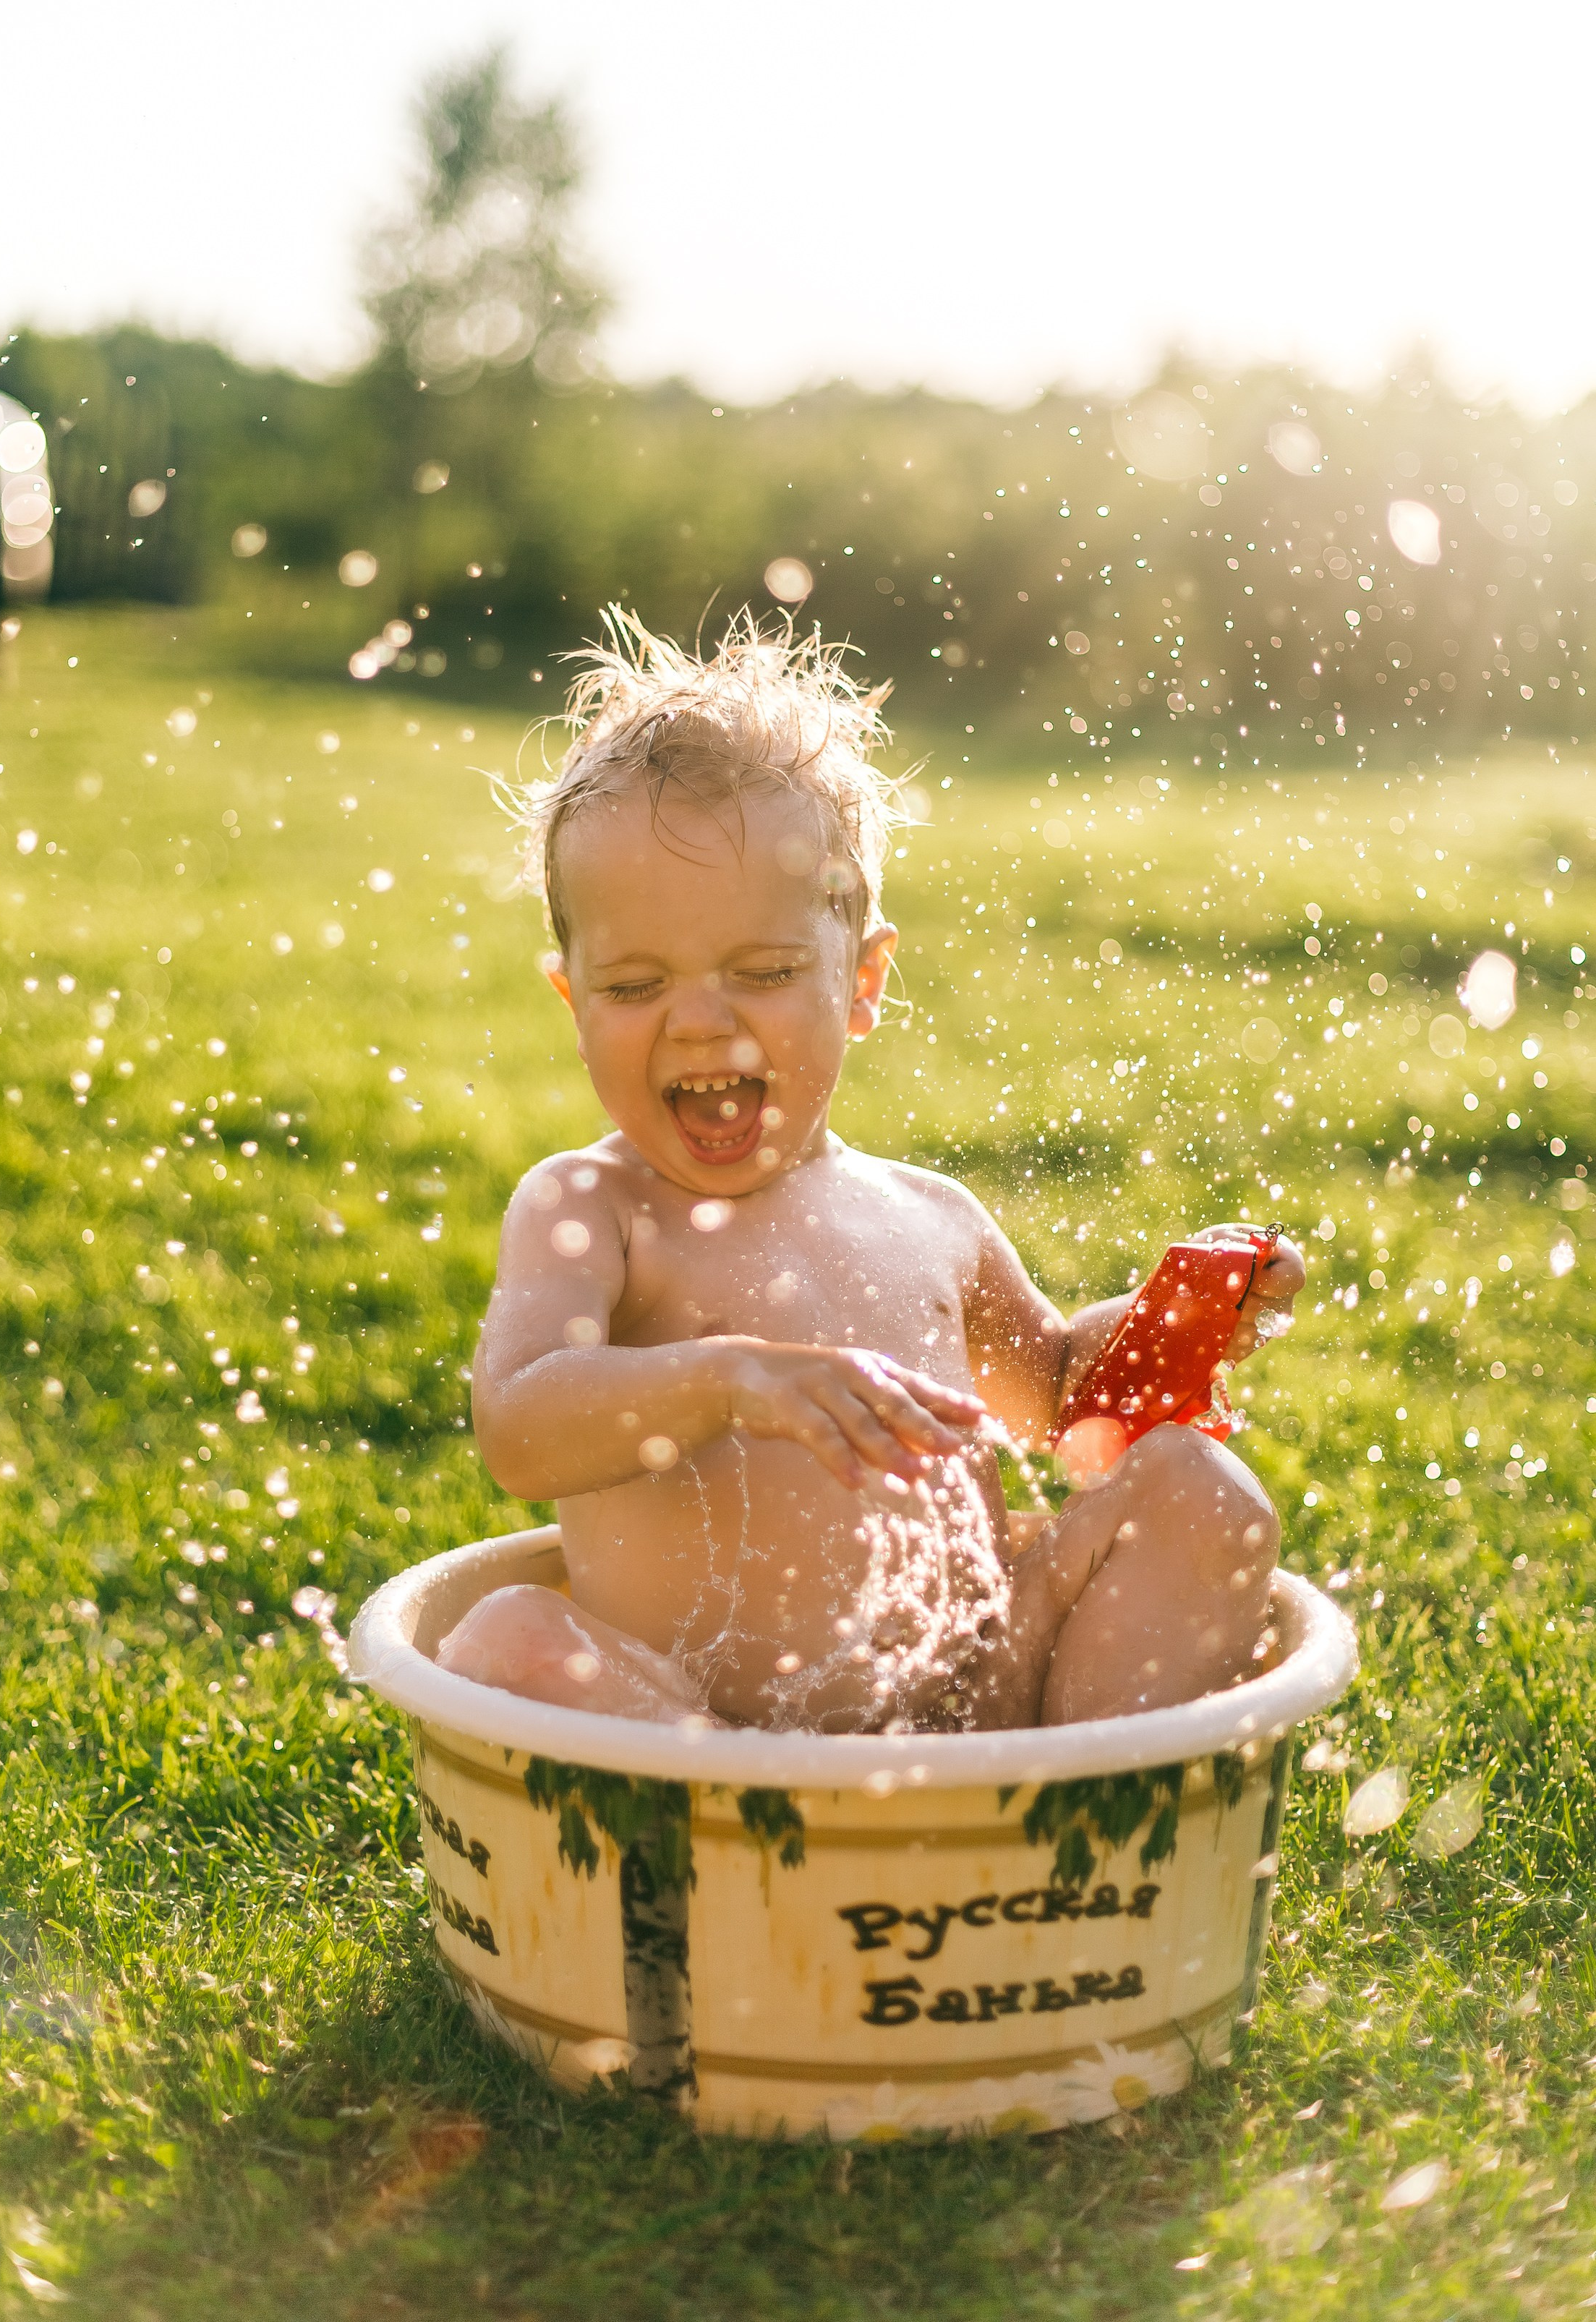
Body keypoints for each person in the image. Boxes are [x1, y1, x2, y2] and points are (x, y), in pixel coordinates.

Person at [443, 612, 1302, 1733]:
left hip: (973, 1711)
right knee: (504, 1640)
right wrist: (726, 1381)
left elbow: (1056, 1402)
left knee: (1202, 1491)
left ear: (862, 980)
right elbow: (520, 1427)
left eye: (761, 970)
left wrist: (1165, 1328)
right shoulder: (593, 1209)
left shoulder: (929, 1219)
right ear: (573, 1000)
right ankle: (762, 1856)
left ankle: (1076, 1807)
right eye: (632, 986)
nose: (698, 1022)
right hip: (696, 1737)